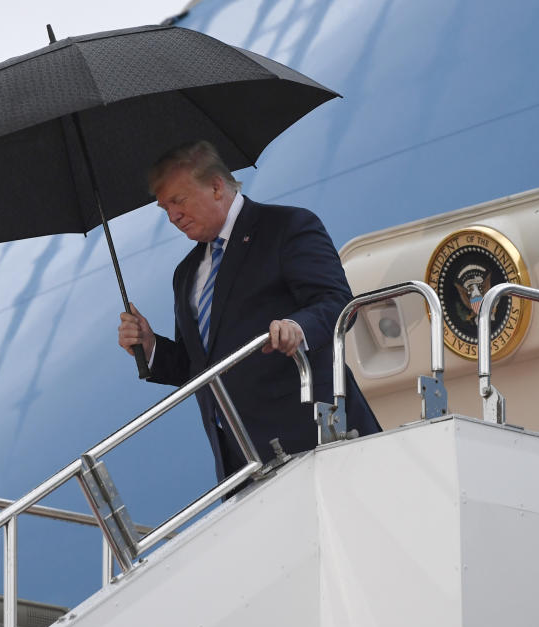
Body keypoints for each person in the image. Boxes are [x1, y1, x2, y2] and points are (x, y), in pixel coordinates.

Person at [118, 141, 380, 482]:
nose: (172, 217)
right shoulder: (186, 274)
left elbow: (337, 303)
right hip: (241, 465)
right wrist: (151, 347)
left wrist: (296, 328)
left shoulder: (286, 227)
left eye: (178, 202)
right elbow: (199, 366)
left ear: (215, 186)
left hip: (317, 441)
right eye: (164, 208)